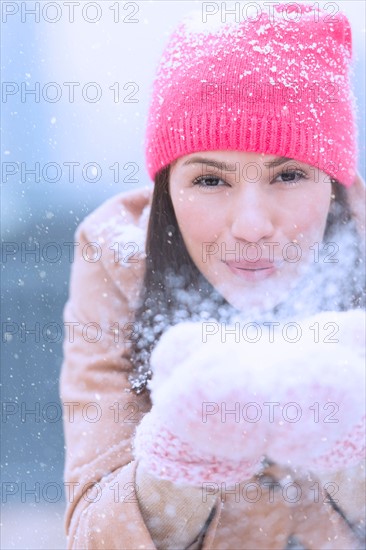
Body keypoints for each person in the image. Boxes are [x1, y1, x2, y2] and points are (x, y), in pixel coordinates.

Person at [60, 4, 365, 549]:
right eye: (210, 180)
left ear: (335, 182)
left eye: (289, 174)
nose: (251, 226)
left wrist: (349, 436)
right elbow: (92, 535)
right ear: (167, 191)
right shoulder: (116, 258)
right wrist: (184, 451)